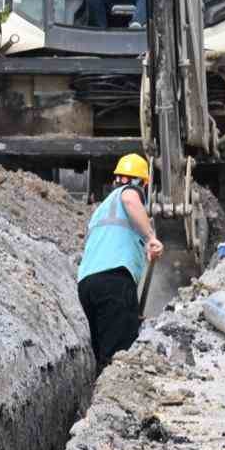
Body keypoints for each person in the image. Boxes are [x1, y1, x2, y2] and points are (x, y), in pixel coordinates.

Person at [77, 153, 165, 368]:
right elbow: (130, 199)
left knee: (104, 353)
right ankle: (110, 396)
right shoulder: (129, 192)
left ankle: (101, 393)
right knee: (119, 356)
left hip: (88, 285)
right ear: (144, 183)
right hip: (113, 282)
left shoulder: (102, 210)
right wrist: (150, 237)